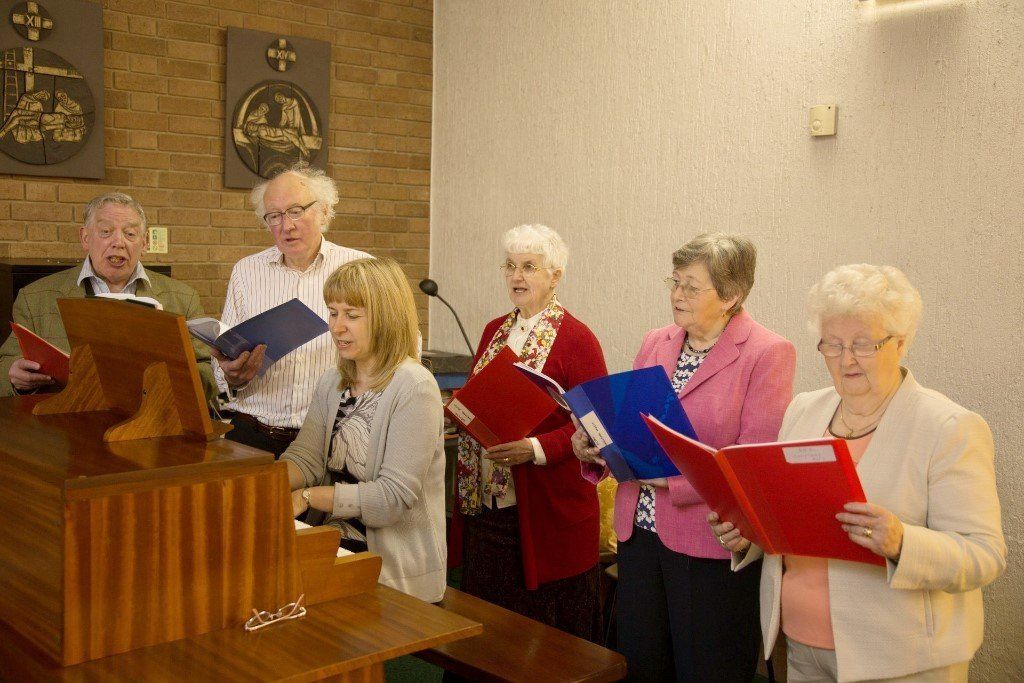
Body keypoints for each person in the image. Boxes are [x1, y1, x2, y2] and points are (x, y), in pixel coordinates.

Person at [712, 264, 1006, 682]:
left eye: (863, 344)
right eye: (832, 345)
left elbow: (984, 556)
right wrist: (749, 534)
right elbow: (793, 519)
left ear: (901, 342)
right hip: (799, 648)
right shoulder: (803, 410)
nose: (846, 359)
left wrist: (901, 541)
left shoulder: (948, 427)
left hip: (901, 660)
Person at [574, 233, 795, 680]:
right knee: (641, 667)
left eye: (691, 286)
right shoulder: (656, 341)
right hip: (639, 536)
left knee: (706, 670)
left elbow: (749, 467)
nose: (676, 294)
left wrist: (665, 478)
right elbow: (632, 427)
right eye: (674, 282)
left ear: (731, 295)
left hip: (710, 546)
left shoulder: (767, 353)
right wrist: (596, 446)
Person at [448, 224, 608, 641]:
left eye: (530, 267)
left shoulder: (577, 339)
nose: (517, 277)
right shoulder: (493, 330)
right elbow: (480, 397)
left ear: (555, 276)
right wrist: (459, 412)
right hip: (488, 507)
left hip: (547, 512)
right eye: (511, 266)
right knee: (487, 632)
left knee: (538, 642)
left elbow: (598, 426)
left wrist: (535, 448)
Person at [282, 257, 446, 603]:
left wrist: (308, 497)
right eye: (333, 312)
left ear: (385, 319)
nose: (337, 327)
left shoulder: (415, 386)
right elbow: (307, 458)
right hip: (335, 540)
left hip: (389, 564)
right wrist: (259, 486)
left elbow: (390, 499)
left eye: (352, 316)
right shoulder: (334, 380)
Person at [214, 162, 371, 457]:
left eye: (296, 211)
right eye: (274, 216)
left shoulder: (361, 269)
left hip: (332, 440)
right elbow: (223, 364)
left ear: (324, 211)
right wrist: (231, 375)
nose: (286, 226)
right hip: (251, 435)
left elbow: (398, 349)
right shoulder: (246, 272)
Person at [0, 192, 215, 399]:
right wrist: (15, 375)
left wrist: (173, 378)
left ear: (144, 242)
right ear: (85, 238)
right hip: (63, 425)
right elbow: (7, 366)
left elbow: (207, 378)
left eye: (130, 234)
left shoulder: (183, 299)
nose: (118, 242)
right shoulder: (35, 298)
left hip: (154, 424)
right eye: (106, 232)